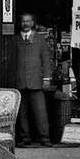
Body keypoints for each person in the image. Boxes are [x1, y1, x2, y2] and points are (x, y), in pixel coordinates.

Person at [13, 12, 52, 147]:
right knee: (22, 113)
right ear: (20, 23)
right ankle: (25, 138)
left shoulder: (40, 39)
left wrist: (47, 78)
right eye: (23, 21)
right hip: (20, 81)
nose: (26, 24)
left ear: (33, 23)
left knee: (40, 111)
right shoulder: (15, 39)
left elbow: (46, 60)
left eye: (28, 21)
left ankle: (45, 138)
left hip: (36, 81)